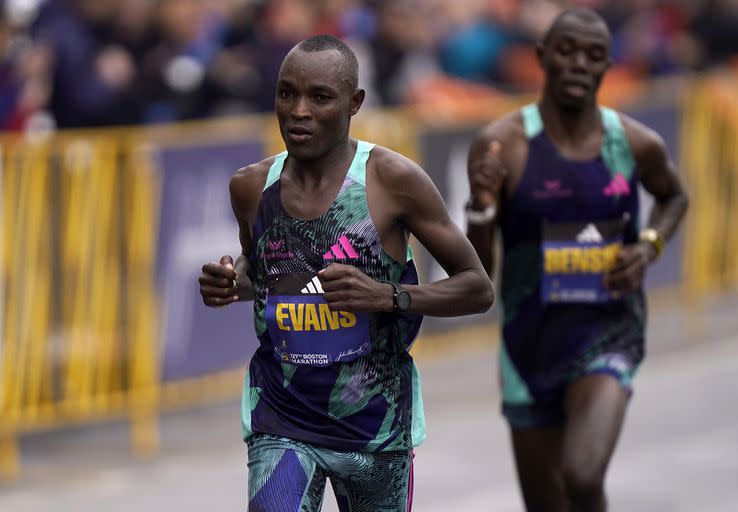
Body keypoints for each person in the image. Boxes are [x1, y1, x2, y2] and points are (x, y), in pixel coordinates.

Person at [198, 35, 494, 512]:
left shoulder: (391, 180)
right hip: (283, 419)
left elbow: (477, 288)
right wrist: (233, 283)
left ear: (355, 102)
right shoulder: (252, 187)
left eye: (320, 97)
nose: (298, 111)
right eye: (286, 93)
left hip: (374, 429)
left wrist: (388, 296)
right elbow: (268, 273)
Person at [465, 8, 688, 512]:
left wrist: (649, 244)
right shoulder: (504, 145)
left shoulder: (632, 143)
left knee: (583, 477)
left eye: (593, 56)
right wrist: (481, 208)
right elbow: (478, 272)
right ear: (542, 57)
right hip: (529, 343)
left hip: (608, 330)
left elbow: (675, 197)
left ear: (608, 66)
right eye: (566, 51)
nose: (579, 65)